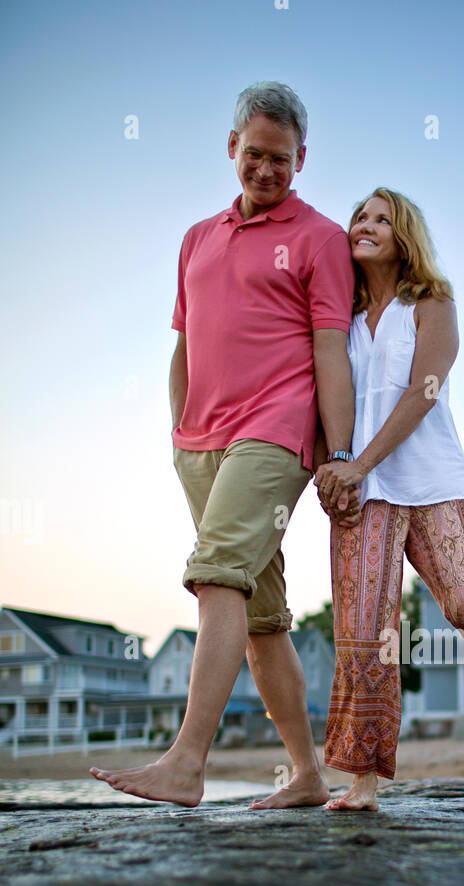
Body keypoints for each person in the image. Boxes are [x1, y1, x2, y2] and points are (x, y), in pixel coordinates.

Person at [90, 81, 359, 808]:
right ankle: (307, 775)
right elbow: (183, 342)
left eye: (281, 158)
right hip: (200, 442)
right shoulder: (196, 239)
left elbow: (330, 349)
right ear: (231, 148)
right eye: (254, 155)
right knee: (260, 618)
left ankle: (185, 764)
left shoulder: (321, 238)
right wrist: (181, 431)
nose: (266, 170)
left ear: (302, 159)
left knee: (214, 578)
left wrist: (339, 454)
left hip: (276, 431)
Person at [315, 189, 464, 810]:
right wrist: (336, 467)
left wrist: (361, 462)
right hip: (360, 493)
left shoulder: (432, 302)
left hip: (433, 481)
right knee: (365, 631)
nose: (364, 226)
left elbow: (424, 392)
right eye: (359, 218)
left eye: (380, 219)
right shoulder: (337, 313)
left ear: (405, 236)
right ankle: (362, 779)